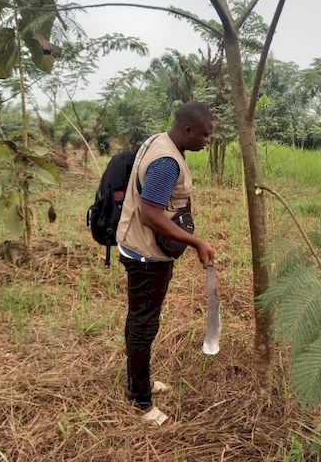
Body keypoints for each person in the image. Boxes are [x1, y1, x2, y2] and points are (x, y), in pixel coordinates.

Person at [116, 101, 216, 425]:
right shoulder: (166, 163)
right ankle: (142, 402)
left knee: (141, 320)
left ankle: (138, 382)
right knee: (144, 324)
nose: (208, 141)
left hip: (138, 247)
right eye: (205, 136)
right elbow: (151, 214)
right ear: (187, 131)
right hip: (145, 255)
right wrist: (196, 241)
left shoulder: (161, 141)